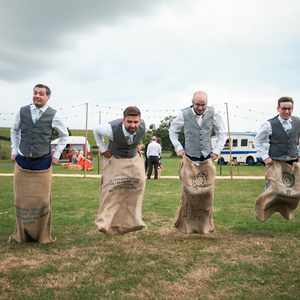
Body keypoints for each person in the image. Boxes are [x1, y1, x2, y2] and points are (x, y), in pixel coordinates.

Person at [10, 83, 69, 243]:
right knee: (20, 200)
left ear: (47, 97)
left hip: (43, 161)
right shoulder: (22, 111)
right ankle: (22, 234)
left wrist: (56, 155)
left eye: (41, 94)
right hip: (22, 160)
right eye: (35, 93)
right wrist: (14, 150)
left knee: (42, 201)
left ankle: (42, 234)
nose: (37, 95)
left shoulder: (54, 115)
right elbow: (14, 130)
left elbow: (65, 135)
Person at [169, 90, 226, 234]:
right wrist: (178, 147)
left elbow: (222, 132)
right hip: (189, 159)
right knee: (188, 194)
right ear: (192, 102)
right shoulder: (184, 114)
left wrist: (217, 150)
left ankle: (206, 225)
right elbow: (172, 131)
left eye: (203, 105)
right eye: (197, 104)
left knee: (207, 195)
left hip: (206, 159)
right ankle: (185, 225)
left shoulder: (214, 114)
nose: (200, 108)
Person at [94, 106, 146, 234]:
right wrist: (103, 149)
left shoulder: (143, 126)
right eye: (129, 122)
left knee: (138, 185)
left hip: (133, 158)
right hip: (115, 159)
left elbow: (136, 137)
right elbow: (95, 130)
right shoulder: (110, 129)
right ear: (123, 120)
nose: (133, 125)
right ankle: (104, 223)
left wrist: (137, 145)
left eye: (136, 122)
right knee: (111, 189)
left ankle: (134, 221)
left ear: (139, 121)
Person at [255, 96, 300, 221]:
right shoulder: (269, 124)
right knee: (275, 191)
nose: (287, 111)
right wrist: (265, 157)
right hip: (276, 162)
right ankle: (263, 210)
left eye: (289, 108)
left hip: (293, 163)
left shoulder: (298, 122)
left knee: (294, 191)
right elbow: (258, 141)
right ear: (278, 108)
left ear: (292, 108)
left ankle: (286, 210)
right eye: (284, 108)